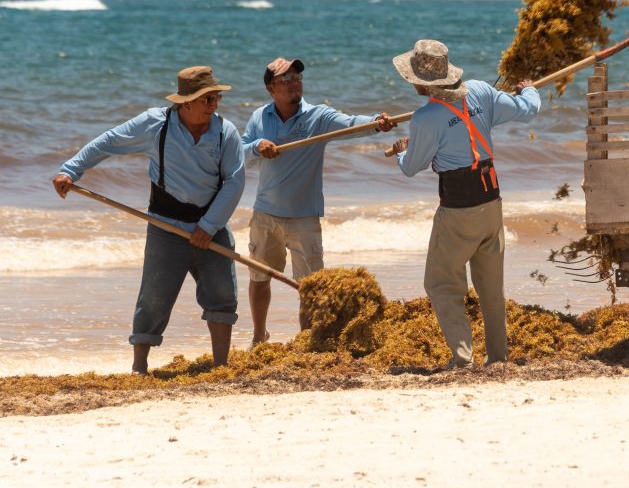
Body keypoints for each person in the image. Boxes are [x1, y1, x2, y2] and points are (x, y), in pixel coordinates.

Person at [52, 66, 245, 375]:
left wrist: (208, 227)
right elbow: (108, 142)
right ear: (186, 103)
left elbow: (234, 182)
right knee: (153, 299)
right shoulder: (156, 124)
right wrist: (70, 170)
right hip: (165, 227)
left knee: (223, 295)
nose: (214, 105)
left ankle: (221, 365)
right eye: (207, 99)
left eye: (216, 98)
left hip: (211, 225)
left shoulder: (226, 132)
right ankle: (139, 368)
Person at [389, 39, 540, 368]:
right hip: (491, 199)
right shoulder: (481, 92)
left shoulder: (425, 118)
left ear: (423, 80)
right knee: (490, 286)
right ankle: (498, 357)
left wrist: (403, 149)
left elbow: (411, 167)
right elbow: (527, 110)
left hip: (458, 207)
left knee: (441, 283)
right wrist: (529, 90)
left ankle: (462, 358)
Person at [241, 57, 396, 346]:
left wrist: (377, 122)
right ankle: (259, 336)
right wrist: (257, 147)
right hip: (266, 215)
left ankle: (307, 340)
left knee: (311, 287)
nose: (293, 83)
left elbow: (351, 125)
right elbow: (240, 153)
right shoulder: (259, 118)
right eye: (285, 80)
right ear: (270, 88)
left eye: (296, 77)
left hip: (305, 217)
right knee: (259, 278)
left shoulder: (318, 116)